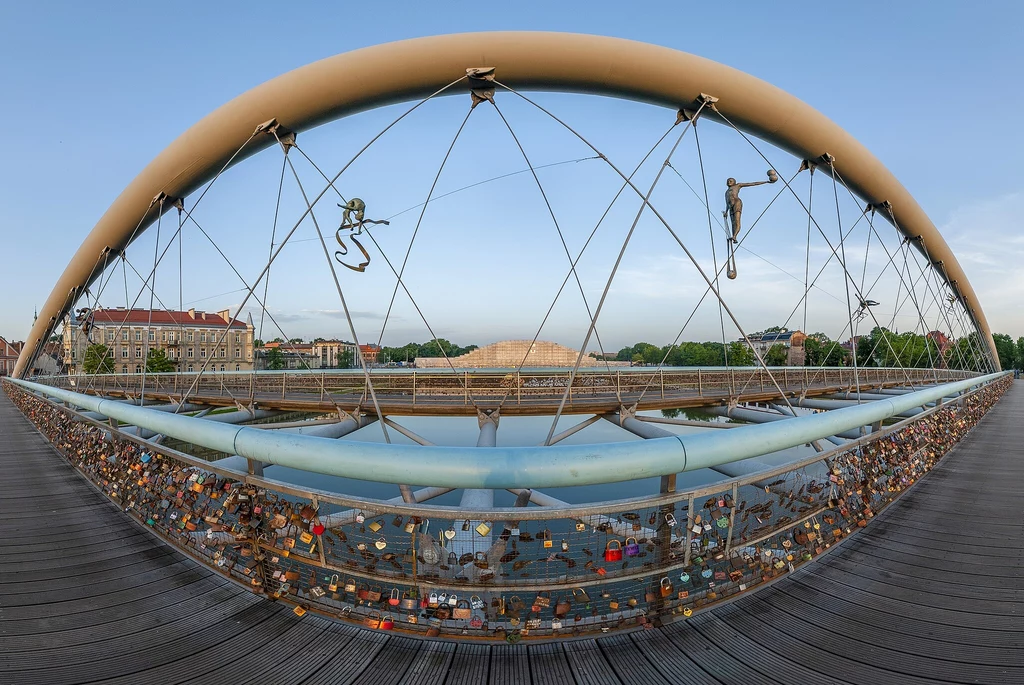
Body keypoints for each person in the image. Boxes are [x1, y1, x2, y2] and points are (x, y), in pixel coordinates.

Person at [724, 170, 778, 240]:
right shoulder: (726, 192)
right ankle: (734, 237)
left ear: (734, 182)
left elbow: (752, 184)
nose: (729, 182)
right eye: (728, 181)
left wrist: (766, 182)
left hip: (737, 203)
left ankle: (735, 236)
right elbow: (727, 202)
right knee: (733, 223)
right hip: (730, 206)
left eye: (731, 181)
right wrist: (726, 211)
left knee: (737, 220)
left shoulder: (738, 185)